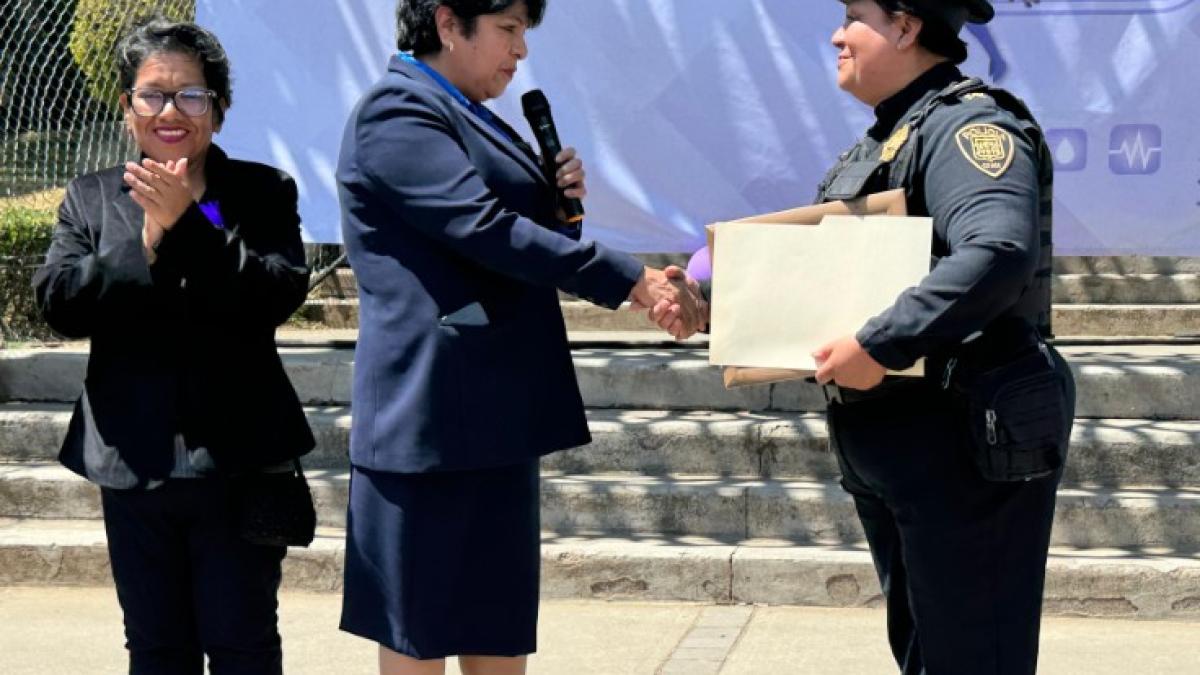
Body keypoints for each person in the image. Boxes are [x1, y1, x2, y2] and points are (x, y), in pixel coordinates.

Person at [658, 0, 1072, 672]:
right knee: (929, 654)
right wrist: (710, 301)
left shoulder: (970, 125)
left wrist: (880, 344)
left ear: (906, 27)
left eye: (854, 15)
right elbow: (828, 280)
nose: (836, 34)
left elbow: (996, 249)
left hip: (963, 440)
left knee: (972, 657)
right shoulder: (888, 140)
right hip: (907, 450)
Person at [335, 1, 704, 674]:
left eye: (524, 32)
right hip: (428, 425)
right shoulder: (398, 111)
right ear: (448, 23)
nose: (520, 51)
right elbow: (483, 229)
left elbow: (501, 246)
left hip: (496, 417)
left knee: (498, 631)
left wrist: (557, 209)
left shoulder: (472, 116)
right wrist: (632, 281)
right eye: (507, 30)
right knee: (419, 634)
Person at [33, 17, 314, 675]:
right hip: (133, 461)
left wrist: (190, 228)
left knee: (244, 645)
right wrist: (147, 246)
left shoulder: (262, 192)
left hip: (239, 464)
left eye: (191, 94)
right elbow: (60, 302)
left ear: (217, 109)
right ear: (127, 107)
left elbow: (276, 292)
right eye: (152, 94)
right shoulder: (92, 197)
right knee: (157, 649)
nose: (171, 111)